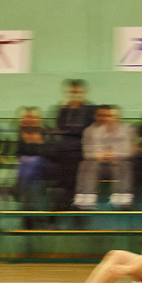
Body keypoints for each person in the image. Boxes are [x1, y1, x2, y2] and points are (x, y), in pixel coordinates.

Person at [74, 104, 134, 209]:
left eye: (107, 115)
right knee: (86, 164)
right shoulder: (89, 131)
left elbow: (128, 151)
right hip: (97, 162)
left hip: (117, 162)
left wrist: (114, 155)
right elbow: (86, 152)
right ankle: (87, 197)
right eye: (100, 115)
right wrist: (99, 155)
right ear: (95, 116)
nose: (104, 118)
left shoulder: (126, 130)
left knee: (124, 164)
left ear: (114, 117)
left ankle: (123, 197)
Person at [51, 79, 95, 209]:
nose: (75, 95)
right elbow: (60, 127)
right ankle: (67, 199)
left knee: (72, 162)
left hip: (83, 145)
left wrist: (70, 131)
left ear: (83, 92)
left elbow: (88, 129)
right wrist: (71, 131)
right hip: (65, 147)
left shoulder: (91, 109)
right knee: (62, 160)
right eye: (72, 92)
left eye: (77, 92)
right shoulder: (63, 110)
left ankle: (67, 201)